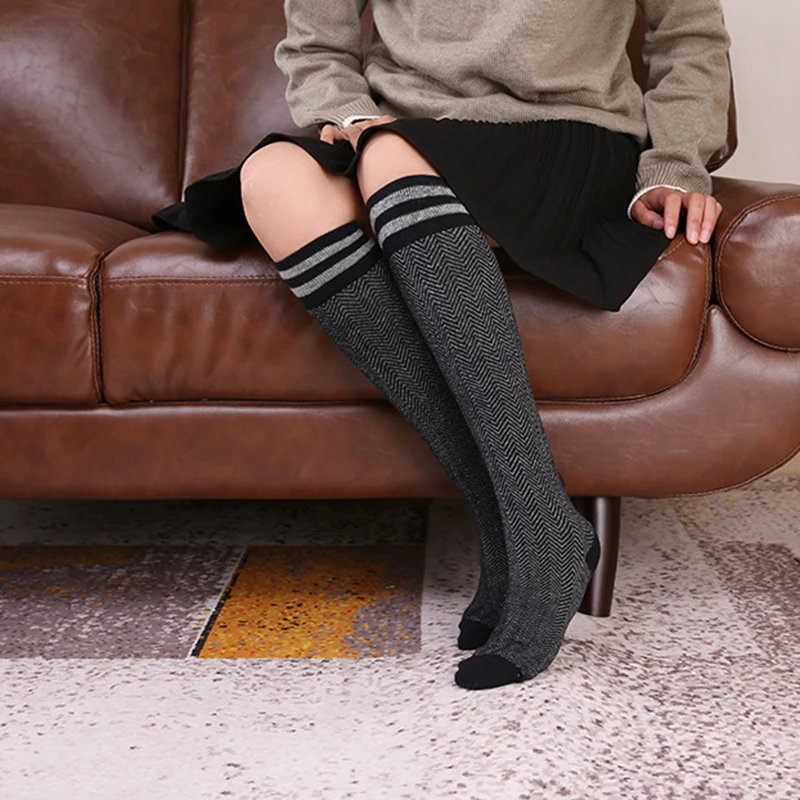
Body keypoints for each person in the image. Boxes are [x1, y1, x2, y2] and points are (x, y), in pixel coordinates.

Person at [153, 0, 732, 690]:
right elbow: (316, 46)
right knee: (272, 179)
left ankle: (537, 538)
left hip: (565, 134)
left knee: (393, 158)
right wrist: (350, 115)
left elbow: (689, 35)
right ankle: (529, 527)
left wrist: (674, 166)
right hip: (397, 135)